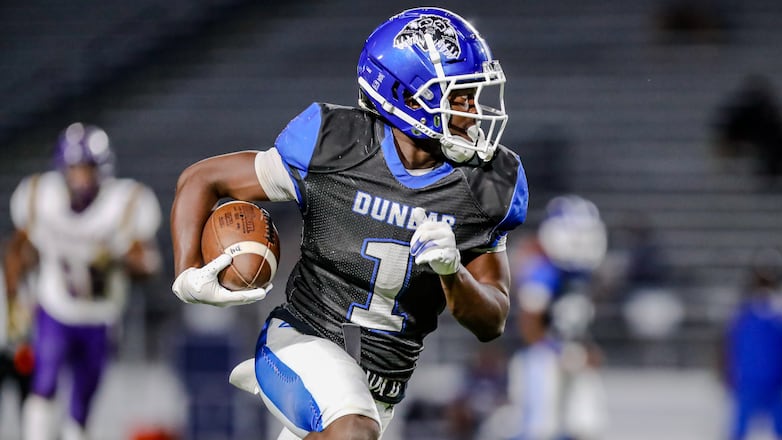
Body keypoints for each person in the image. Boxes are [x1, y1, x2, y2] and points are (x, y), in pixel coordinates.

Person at [169, 7, 528, 440]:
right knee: (353, 430)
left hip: (380, 392)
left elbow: (492, 321)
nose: (474, 113)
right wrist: (187, 271)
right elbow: (203, 178)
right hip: (303, 340)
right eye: (459, 97)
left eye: (474, 95)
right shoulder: (336, 144)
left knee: (356, 426)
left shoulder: (488, 183)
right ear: (406, 97)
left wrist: (453, 272)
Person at [3, 122, 163, 440]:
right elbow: (17, 249)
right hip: (55, 307)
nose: (81, 177)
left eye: (88, 169)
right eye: (75, 169)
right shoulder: (41, 196)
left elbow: (148, 264)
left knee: (81, 406)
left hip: (100, 315)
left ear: (102, 170)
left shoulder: (123, 203)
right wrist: (13, 297)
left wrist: (115, 258)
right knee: (43, 386)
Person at [508, 195, 608, 440]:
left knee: (585, 424)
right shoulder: (543, 270)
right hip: (541, 357)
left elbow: (576, 323)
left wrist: (586, 349)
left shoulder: (582, 276)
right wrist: (555, 351)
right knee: (541, 426)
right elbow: (529, 322)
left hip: (572, 356)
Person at [717, 248, 782, 440]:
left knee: (780, 428)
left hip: (773, 379)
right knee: (740, 428)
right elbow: (730, 342)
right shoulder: (744, 307)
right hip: (749, 378)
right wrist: (726, 370)